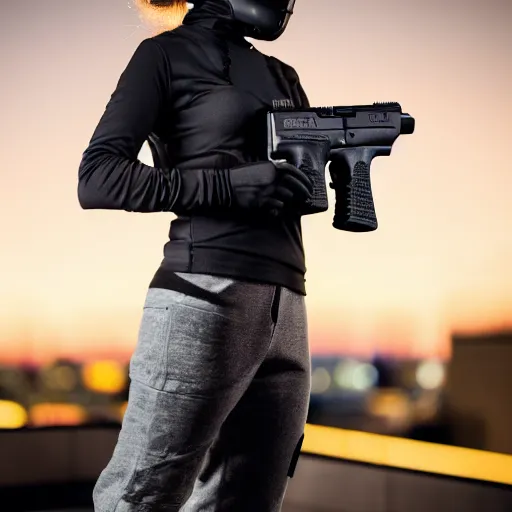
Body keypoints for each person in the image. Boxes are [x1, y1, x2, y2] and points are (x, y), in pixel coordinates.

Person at [77, 0, 316, 510]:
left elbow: (299, 189)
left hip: (288, 307)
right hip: (202, 294)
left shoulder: (283, 76)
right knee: (139, 498)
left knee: (247, 500)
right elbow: (98, 177)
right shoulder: (164, 56)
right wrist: (227, 187)